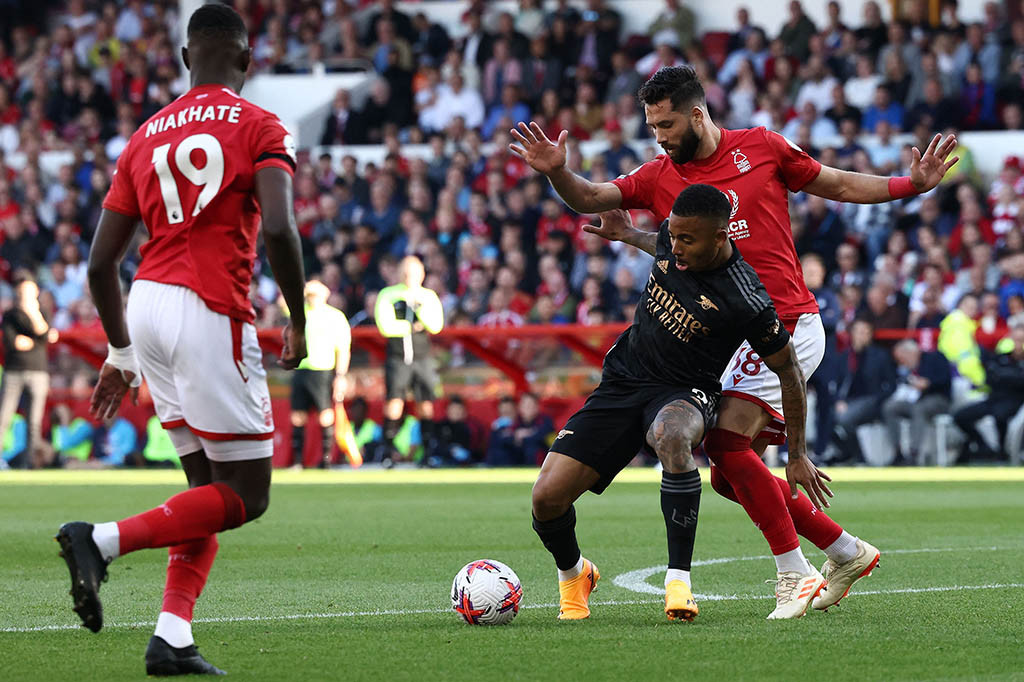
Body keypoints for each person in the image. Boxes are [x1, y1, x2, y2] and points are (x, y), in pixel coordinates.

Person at [510, 65, 954, 613]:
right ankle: (845, 551)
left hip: (785, 322)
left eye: (667, 125)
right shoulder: (658, 174)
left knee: (724, 445)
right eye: (652, 127)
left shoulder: (762, 148)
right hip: (730, 342)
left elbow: (835, 182)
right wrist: (559, 173)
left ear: (697, 113)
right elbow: (596, 198)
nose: (660, 137)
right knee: (728, 477)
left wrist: (910, 184)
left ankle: (794, 573)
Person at [54, 5, 307, 676]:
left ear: (185, 58)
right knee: (247, 493)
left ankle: (172, 637)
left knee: (202, 489)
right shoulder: (258, 124)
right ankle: (100, 541)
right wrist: (299, 316)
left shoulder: (143, 136)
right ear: (246, 61)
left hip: (146, 305)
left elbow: (98, 263)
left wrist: (120, 353)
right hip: (209, 305)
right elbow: (280, 227)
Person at [530, 184, 828, 624]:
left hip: (687, 390)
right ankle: (576, 574)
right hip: (624, 379)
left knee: (673, 437)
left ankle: (678, 581)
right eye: (675, 235)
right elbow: (663, 246)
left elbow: (790, 372)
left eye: (689, 240)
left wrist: (798, 453)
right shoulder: (673, 236)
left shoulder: (746, 297)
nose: (676, 245)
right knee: (546, 498)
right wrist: (631, 234)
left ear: (722, 235)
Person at [375, 255, 444, 464]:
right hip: (397, 357)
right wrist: (411, 326)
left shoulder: (428, 296)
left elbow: (435, 325)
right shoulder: (388, 295)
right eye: (405, 272)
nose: (409, 276)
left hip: (422, 357)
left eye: (414, 272)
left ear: (422, 274)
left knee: (425, 404)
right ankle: (388, 452)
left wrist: (418, 310)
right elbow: (386, 327)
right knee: (394, 402)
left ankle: (428, 453)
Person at [288, 279, 351, 469]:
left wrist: (340, 375)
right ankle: (298, 461)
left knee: (325, 413)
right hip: (301, 369)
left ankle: (325, 459)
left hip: (322, 369)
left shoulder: (335, 317)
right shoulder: (299, 315)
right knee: (298, 415)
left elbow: (343, 349)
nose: (312, 299)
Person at [0, 273, 58, 469]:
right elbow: (14, 343)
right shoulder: (10, 315)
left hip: (38, 372)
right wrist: (39, 341)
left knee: (34, 422)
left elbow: (45, 334)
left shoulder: (42, 312)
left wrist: (33, 314)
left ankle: (32, 463)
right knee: (3, 417)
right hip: (14, 371)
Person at [954, 324, 1024, 461]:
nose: (1019, 344)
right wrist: (1012, 377)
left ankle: (1002, 452)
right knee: (960, 416)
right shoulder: (1001, 358)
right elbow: (990, 378)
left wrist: (1005, 376)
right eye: (1016, 339)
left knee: (1000, 416)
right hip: (994, 399)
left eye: (1022, 340)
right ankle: (984, 446)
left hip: (1015, 400)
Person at [882, 339, 952, 465]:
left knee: (919, 409)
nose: (901, 363)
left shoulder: (935, 357)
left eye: (902, 359)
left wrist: (928, 383)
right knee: (890, 407)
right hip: (915, 401)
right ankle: (898, 452)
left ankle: (914, 454)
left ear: (911, 353)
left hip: (938, 399)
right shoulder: (907, 369)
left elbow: (945, 379)